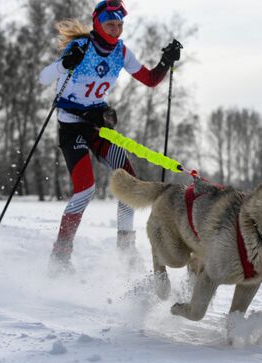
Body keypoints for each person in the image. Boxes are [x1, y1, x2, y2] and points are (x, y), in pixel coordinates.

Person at [39, 0, 181, 276]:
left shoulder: (121, 52)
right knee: (85, 189)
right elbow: (43, 78)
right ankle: (60, 255)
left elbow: (150, 80)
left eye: (119, 25)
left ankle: (126, 249)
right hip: (71, 126)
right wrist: (65, 64)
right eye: (110, 25)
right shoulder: (80, 48)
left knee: (129, 183)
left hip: (97, 126)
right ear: (97, 23)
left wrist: (165, 63)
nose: (115, 30)